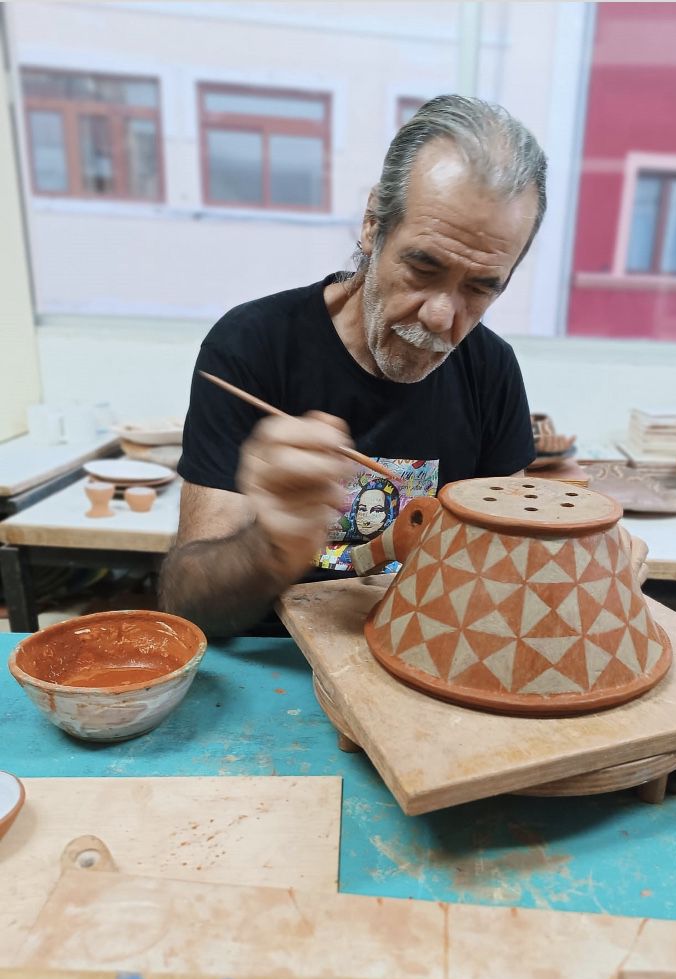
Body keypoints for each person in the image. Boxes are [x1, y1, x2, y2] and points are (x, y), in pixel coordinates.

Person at [160, 94, 644, 636]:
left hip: (430, 665)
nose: (442, 316)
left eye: (482, 287)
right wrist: (270, 546)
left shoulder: (492, 371)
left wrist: (584, 562)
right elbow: (188, 605)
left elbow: (504, 570)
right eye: (423, 266)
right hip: (279, 669)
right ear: (373, 226)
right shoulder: (252, 345)